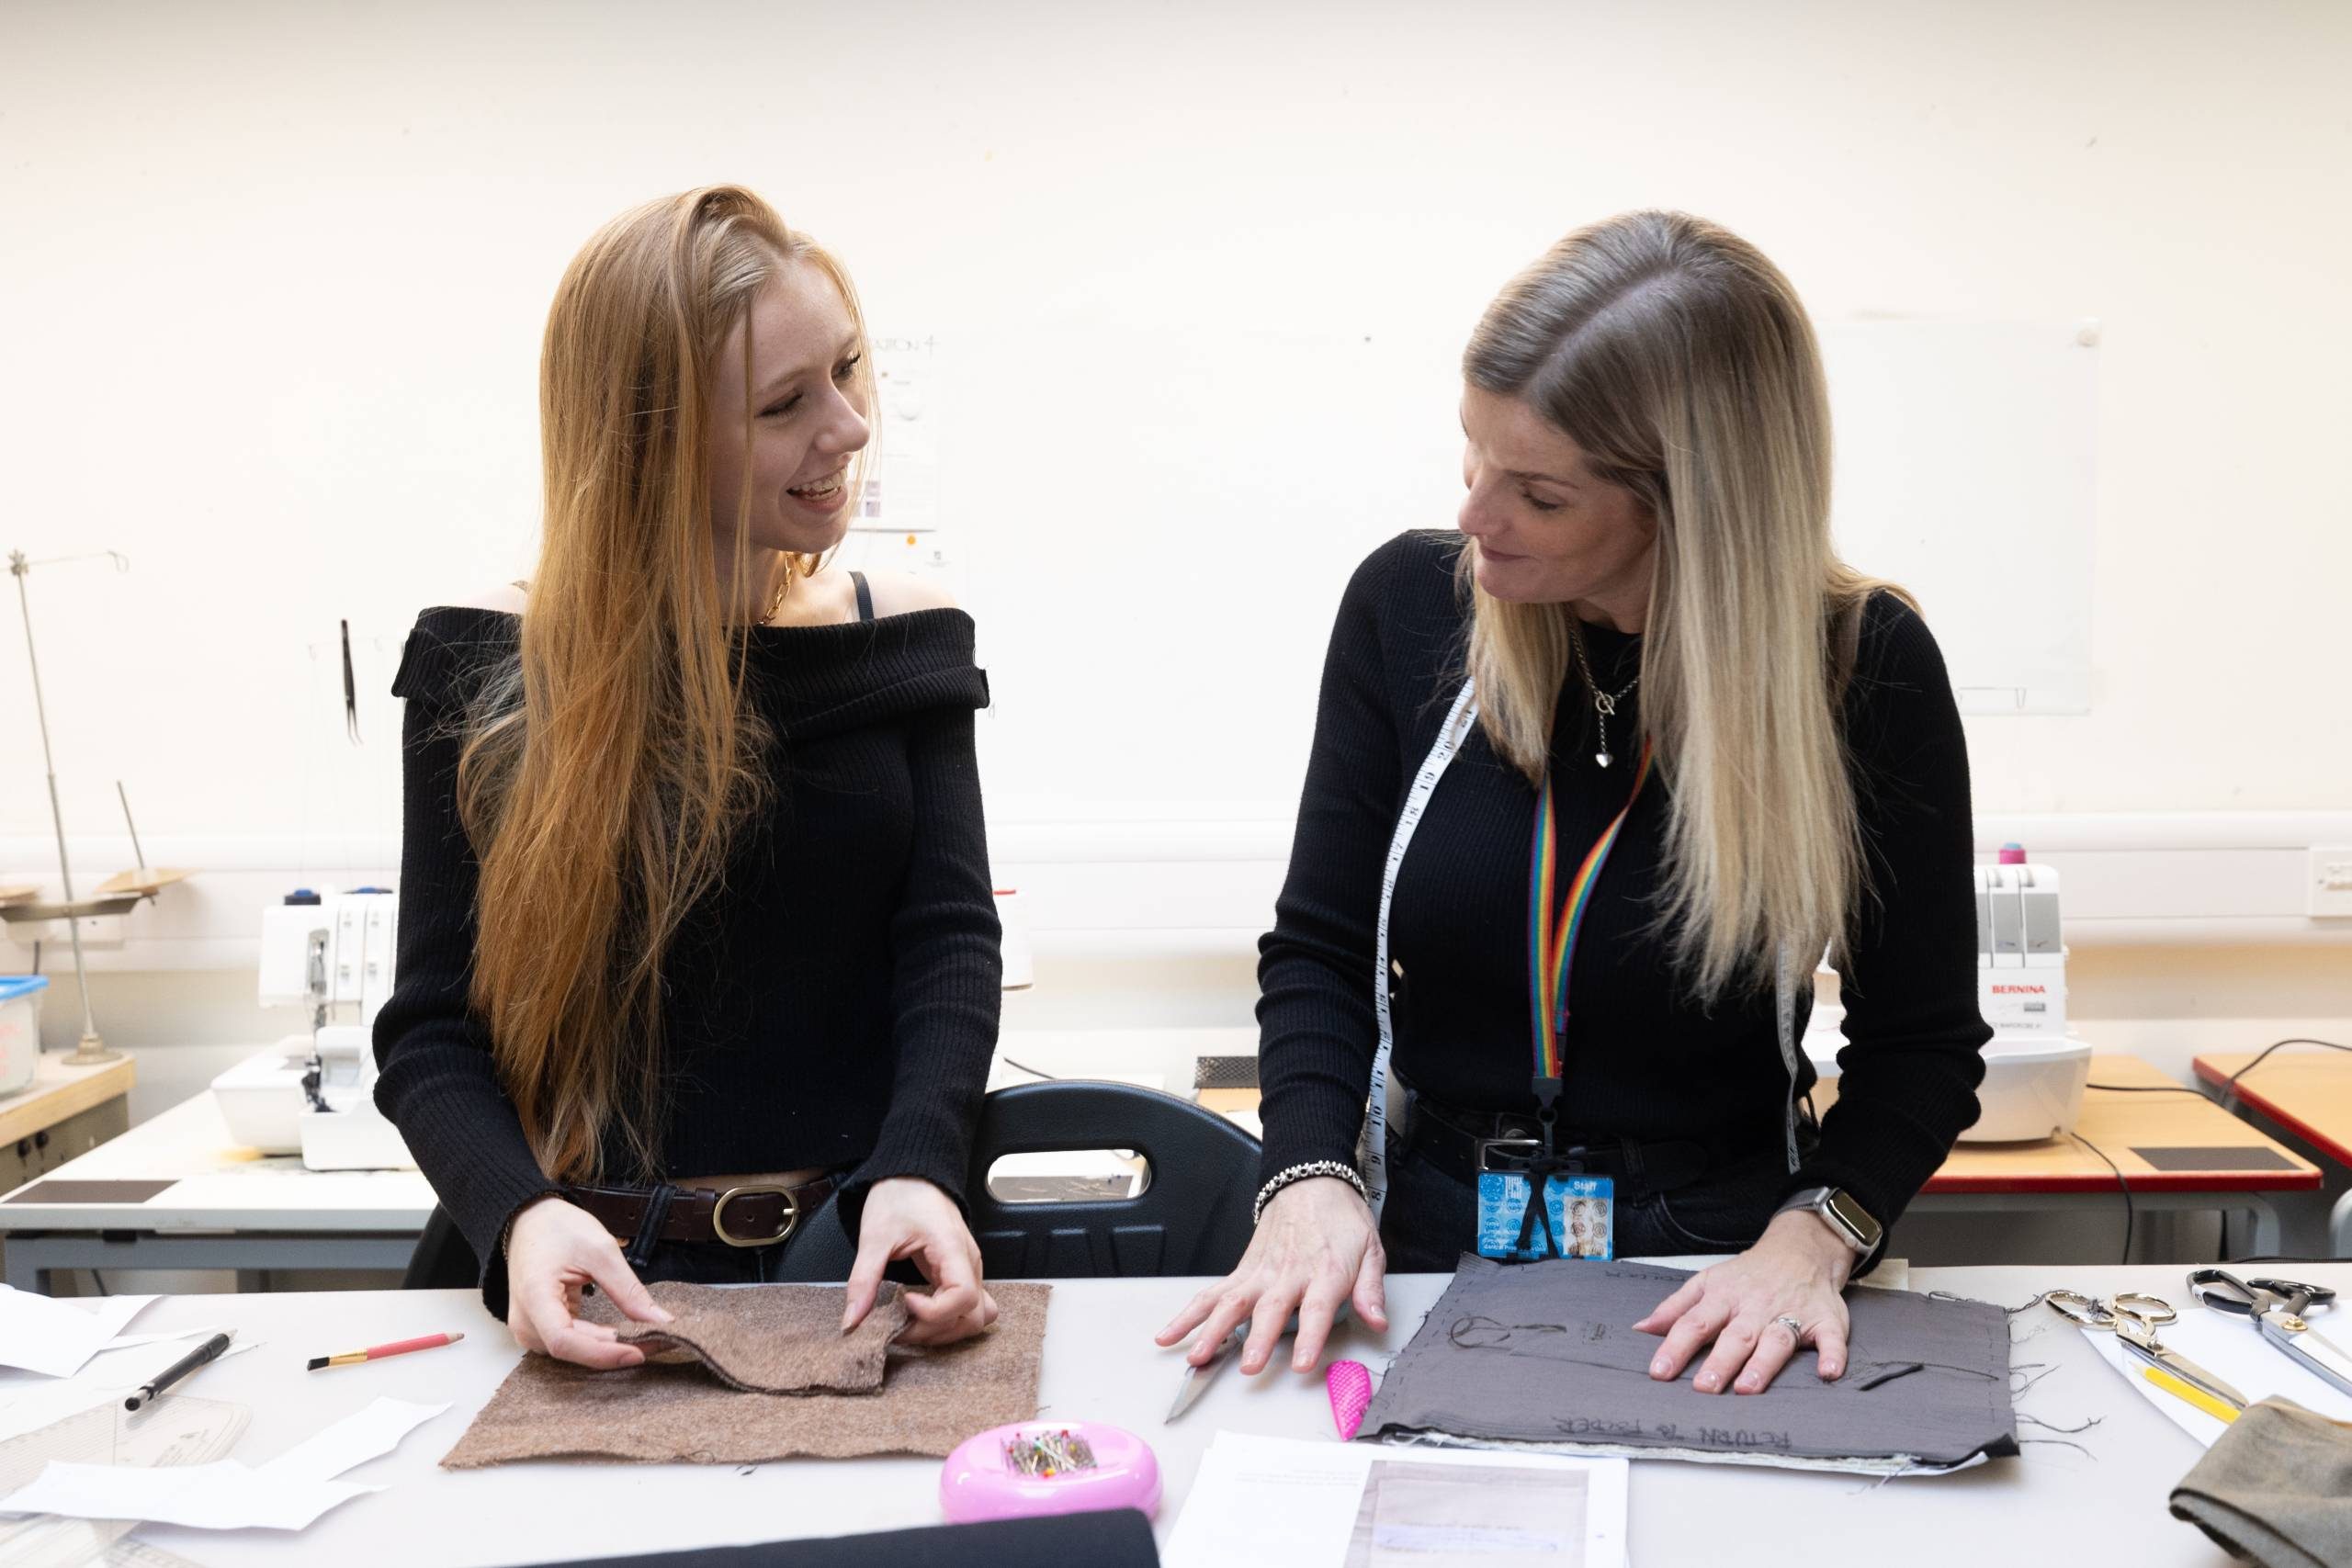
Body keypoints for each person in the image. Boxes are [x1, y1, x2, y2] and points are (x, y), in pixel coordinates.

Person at [1160, 210, 1990, 1399]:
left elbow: (1920, 1046)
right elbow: (1321, 951)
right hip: (1428, 1241)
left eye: (1539, 495)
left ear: (1691, 507)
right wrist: (1306, 1177)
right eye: (1473, 456)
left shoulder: (1864, 668)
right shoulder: (1408, 608)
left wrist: (1816, 1237)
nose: (1475, 517)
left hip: (1720, 1274)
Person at [373, 186, 1002, 1368]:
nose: (848, 428)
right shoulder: (487, 665)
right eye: (784, 404)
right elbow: (431, 1030)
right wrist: (518, 1213)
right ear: (648, 441)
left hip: (849, 1267)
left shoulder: (903, 638)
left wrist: (920, 1165)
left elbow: (950, 943)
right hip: (587, 1281)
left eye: (846, 371)